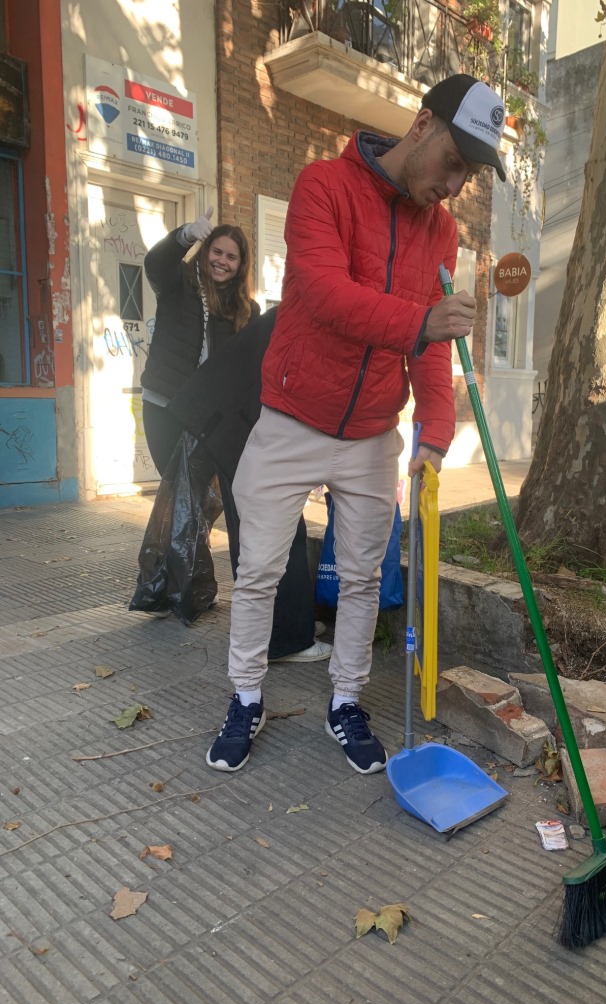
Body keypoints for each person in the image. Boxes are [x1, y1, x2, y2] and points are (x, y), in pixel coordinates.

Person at [205, 74, 506, 775]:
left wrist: (434, 432)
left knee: (366, 579)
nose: (456, 184)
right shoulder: (323, 187)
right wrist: (420, 322)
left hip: (373, 430)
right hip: (290, 417)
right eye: (455, 162)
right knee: (259, 571)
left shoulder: (443, 231)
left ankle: (345, 702)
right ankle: (246, 696)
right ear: (423, 125)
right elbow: (323, 292)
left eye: (471, 173)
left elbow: (432, 349)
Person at [138, 213, 332, 662]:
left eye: (231, 256)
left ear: (241, 264)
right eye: (216, 252)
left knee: (239, 510)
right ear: (204, 254)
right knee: (185, 506)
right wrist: (186, 234)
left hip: (216, 420)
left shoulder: (246, 314)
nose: (222, 261)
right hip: (169, 412)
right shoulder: (179, 287)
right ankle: (194, 599)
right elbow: (155, 263)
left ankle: (276, 623)